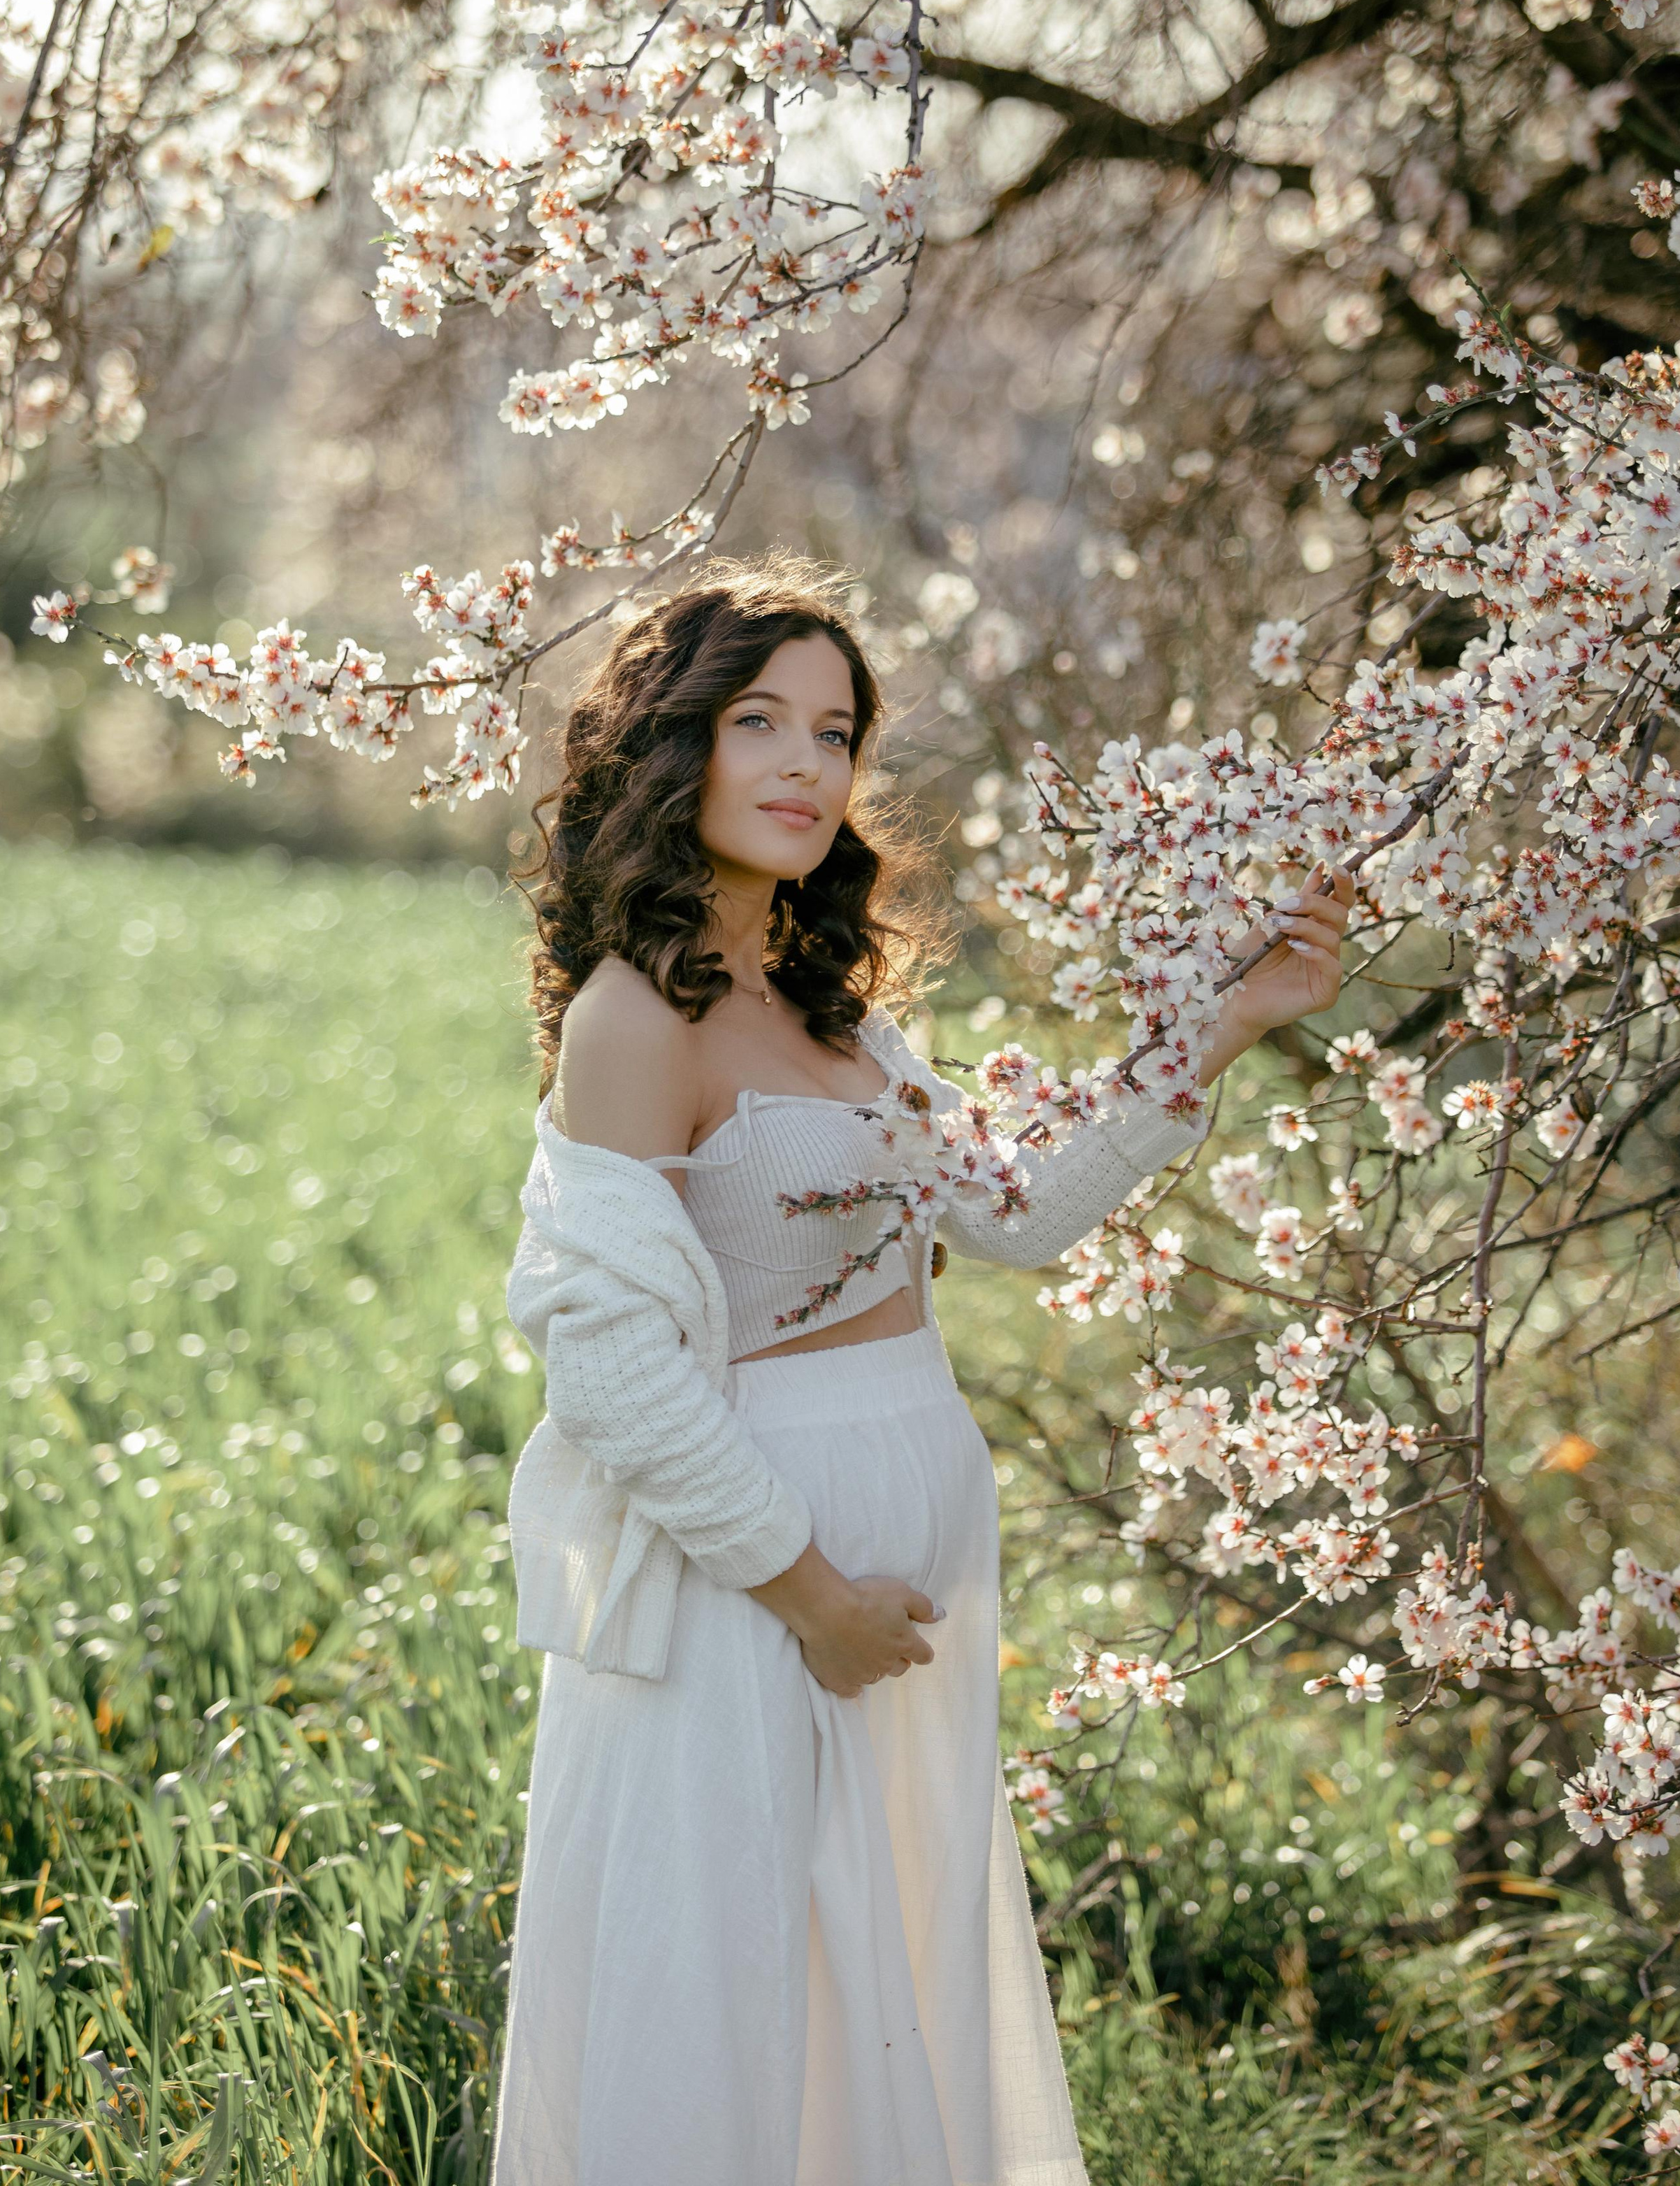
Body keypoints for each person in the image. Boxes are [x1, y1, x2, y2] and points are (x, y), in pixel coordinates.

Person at [489, 555, 1351, 2186]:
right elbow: (610, 1371)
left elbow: (1009, 1218)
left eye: (837, 730)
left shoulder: (842, 1015)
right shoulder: (633, 1021)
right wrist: (808, 1593)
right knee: (742, 2000)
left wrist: (1226, 1024)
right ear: (672, 748)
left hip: (908, 1572)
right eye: (761, 722)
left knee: (876, 2004)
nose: (809, 765)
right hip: (754, 1594)